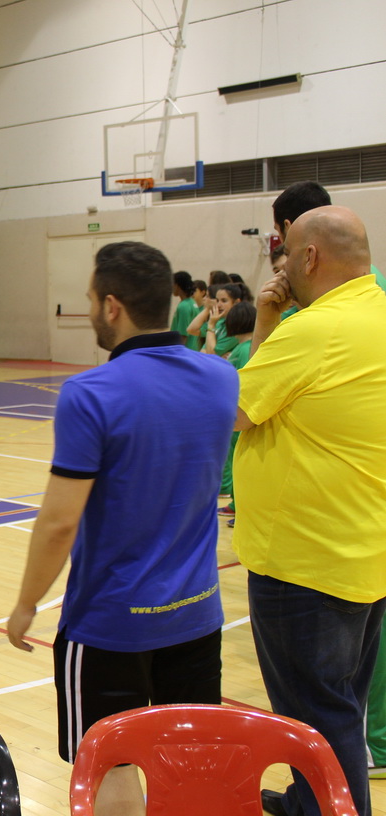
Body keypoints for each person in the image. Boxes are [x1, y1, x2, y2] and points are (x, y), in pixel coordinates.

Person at [7, 241, 237, 816]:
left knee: (110, 764)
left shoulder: (91, 393)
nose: (90, 311)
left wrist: (27, 604)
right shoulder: (221, 377)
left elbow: (59, 522)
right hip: (197, 616)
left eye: (91, 300)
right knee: (190, 768)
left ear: (112, 305)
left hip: (110, 623)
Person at [232, 206, 386, 816]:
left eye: (287, 252)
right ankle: (305, 803)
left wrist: (268, 324)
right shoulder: (377, 313)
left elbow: (239, 410)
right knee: (342, 699)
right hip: (365, 551)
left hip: (304, 562)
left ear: (310, 257)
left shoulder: (314, 331)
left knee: (319, 718)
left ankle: (330, 809)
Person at [216, 301, 255, 526]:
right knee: (232, 457)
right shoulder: (243, 347)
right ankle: (234, 502)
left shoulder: (243, 349)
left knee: (236, 459)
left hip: (238, 409)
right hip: (237, 409)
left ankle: (239, 506)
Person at [170, 272, 201, 351]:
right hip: (193, 350)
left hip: (185, 350)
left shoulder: (183, 306)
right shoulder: (192, 303)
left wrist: (177, 354)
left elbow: (183, 335)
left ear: (177, 285)